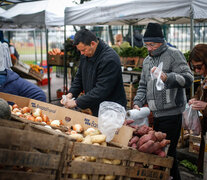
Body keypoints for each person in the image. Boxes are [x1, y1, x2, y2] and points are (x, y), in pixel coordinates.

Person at [133, 23, 194, 180]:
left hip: (172, 113)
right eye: (147, 45)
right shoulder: (147, 61)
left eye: (152, 44)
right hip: (155, 114)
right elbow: (143, 85)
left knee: (168, 154)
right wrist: (138, 102)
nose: (149, 48)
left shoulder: (174, 54)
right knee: (163, 154)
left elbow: (188, 78)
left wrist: (167, 77)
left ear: (161, 41)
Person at [61, 29, 127, 116]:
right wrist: (70, 94)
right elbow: (79, 78)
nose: (82, 53)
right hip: (97, 106)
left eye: (83, 50)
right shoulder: (86, 54)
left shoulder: (109, 59)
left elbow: (101, 90)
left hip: (112, 109)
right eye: (80, 51)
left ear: (93, 43)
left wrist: (76, 102)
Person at [188, 44, 207, 173]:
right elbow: (201, 92)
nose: (196, 70)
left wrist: (206, 106)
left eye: (199, 67)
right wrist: (195, 98)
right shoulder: (204, 78)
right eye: (193, 67)